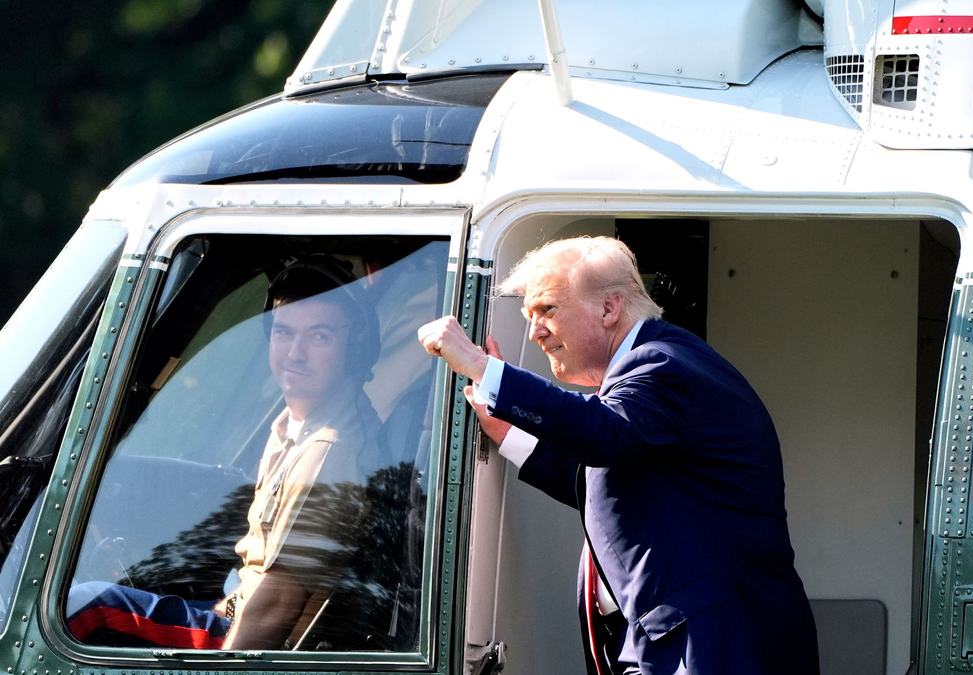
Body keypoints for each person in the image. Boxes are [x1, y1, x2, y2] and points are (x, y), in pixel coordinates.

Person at [418, 236, 819, 675]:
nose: (535, 332)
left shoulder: (662, 365)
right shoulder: (659, 363)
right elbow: (601, 475)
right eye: (529, 316)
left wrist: (480, 367)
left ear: (609, 309)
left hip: (712, 651)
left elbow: (603, 434)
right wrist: (507, 431)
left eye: (547, 309)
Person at [67, 256, 382, 650]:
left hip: (244, 638)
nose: (294, 353)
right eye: (283, 333)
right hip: (234, 608)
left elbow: (278, 604)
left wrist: (222, 666)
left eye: (319, 337)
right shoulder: (301, 422)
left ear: (354, 350)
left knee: (87, 606)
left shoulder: (328, 450)